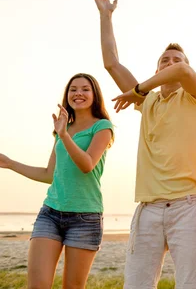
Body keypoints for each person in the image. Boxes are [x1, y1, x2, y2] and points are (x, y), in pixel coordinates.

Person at [93, 0, 196, 288]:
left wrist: (136, 90)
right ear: (156, 69)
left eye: (177, 59)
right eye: (165, 61)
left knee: (190, 284)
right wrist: (106, 17)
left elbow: (184, 73)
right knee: (136, 284)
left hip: (188, 206)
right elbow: (112, 63)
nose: (172, 64)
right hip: (148, 207)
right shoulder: (148, 102)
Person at [0, 73, 114, 289]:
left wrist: (64, 135)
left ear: (94, 95)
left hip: (85, 217)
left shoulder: (102, 127)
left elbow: (87, 164)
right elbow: (49, 174)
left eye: (85, 89)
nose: (78, 93)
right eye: (73, 89)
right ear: (67, 94)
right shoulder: (62, 130)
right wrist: (10, 163)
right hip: (50, 213)